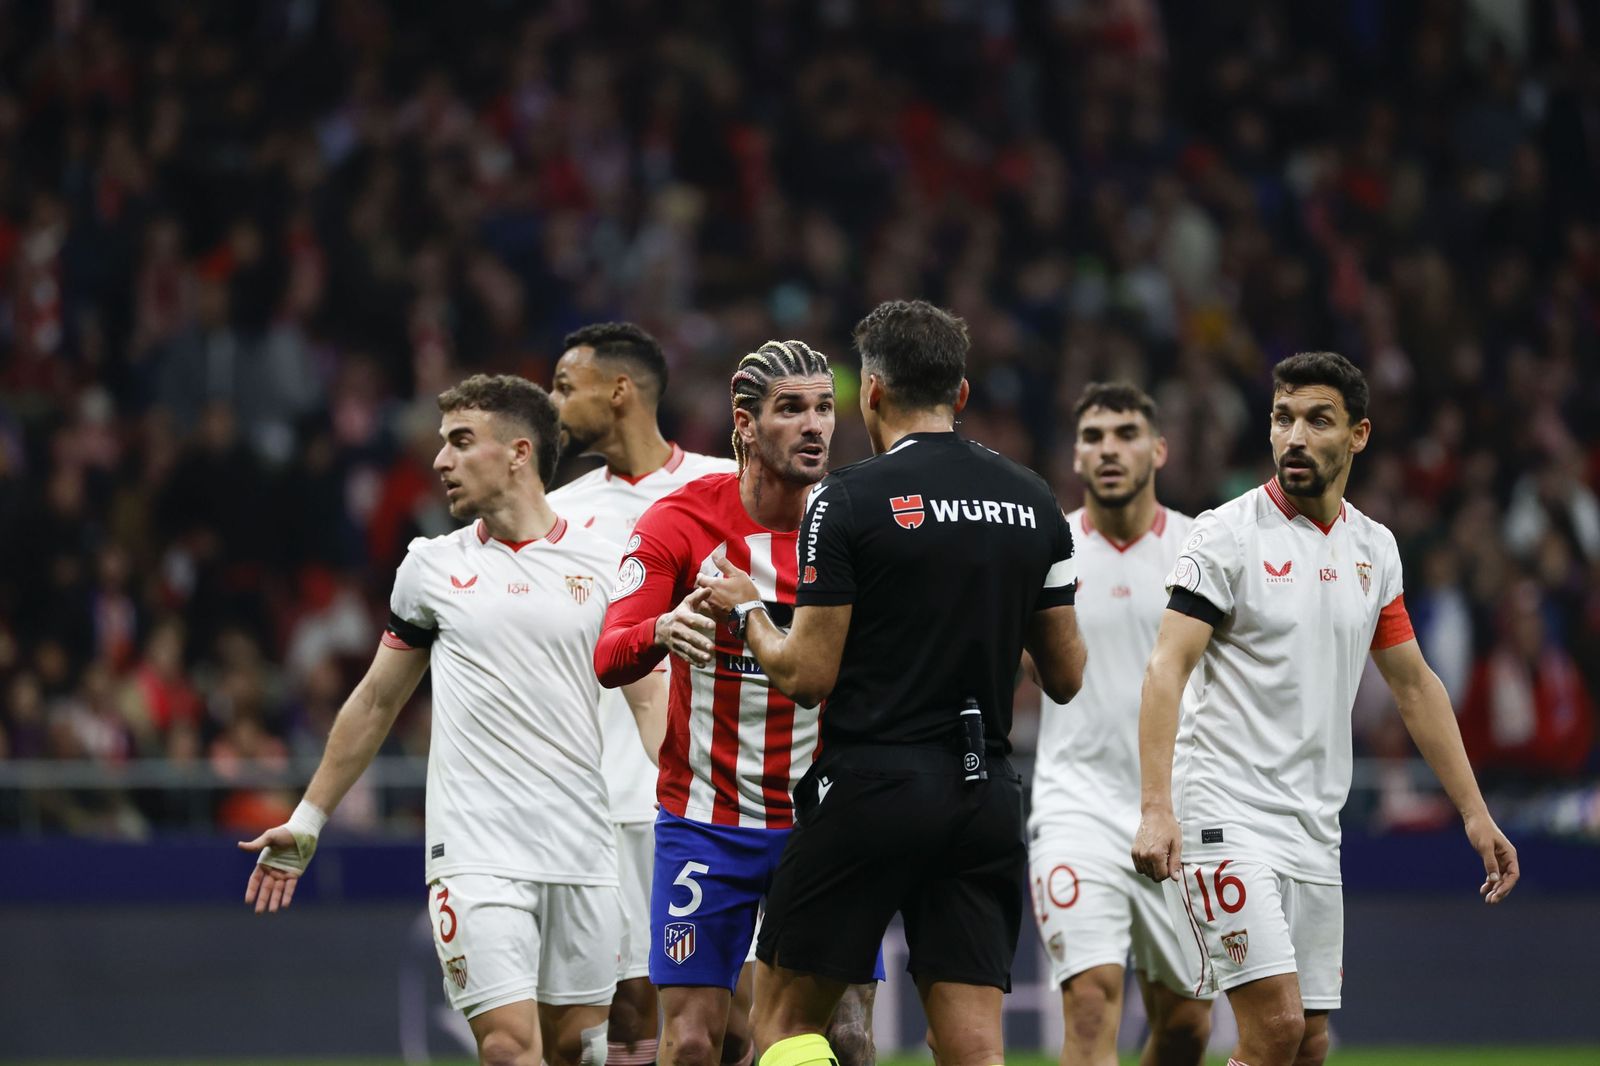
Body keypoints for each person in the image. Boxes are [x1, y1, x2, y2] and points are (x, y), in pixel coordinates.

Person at [695, 300, 1087, 1066]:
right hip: (984, 794)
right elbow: (1068, 676)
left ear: (869, 392)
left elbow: (808, 677)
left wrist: (748, 612)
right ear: (961, 394)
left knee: (783, 1026)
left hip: (872, 787)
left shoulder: (846, 499)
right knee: (973, 1048)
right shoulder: (1034, 499)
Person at [240, 374, 661, 1066]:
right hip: (476, 852)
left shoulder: (610, 563)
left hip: (586, 849)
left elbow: (649, 702)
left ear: (519, 453)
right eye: (442, 445)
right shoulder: (431, 567)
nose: (440, 461)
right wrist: (310, 817)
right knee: (505, 1047)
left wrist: (702, 797)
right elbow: (377, 700)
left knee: (576, 1052)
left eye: (461, 443)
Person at [1131, 351, 1521, 1066]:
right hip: (1225, 812)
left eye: (1317, 420)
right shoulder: (1224, 535)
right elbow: (1166, 669)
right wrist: (1158, 807)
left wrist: (1474, 811)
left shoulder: (1375, 548)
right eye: (1283, 419)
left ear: (1359, 435)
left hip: (1314, 828)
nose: (1295, 437)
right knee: (1275, 1029)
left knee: (1309, 1045)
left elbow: (1414, 684)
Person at [593, 340, 879, 1066]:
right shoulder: (680, 522)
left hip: (821, 821)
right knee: (692, 1040)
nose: (815, 426)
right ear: (745, 425)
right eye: (791, 410)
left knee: (843, 1038)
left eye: (823, 408)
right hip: (704, 820)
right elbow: (610, 654)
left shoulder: (855, 525)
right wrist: (661, 628)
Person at [548, 321, 737, 1066]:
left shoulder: (725, 486)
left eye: (566, 386)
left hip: (722, 794)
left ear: (620, 390)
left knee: (736, 1020)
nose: (552, 404)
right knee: (630, 1017)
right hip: (606, 796)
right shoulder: (561, 512)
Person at [1029, 383, 1213, 1066]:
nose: (1110, 448)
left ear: (1158, 449)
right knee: (1090, 1001)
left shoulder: (1204, 547)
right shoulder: (1047, 548)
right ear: (1076, 457)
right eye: (1094, 436)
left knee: (1188, 1028)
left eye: (1127, 433)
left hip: (1182, 811)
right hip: (1074, 803)